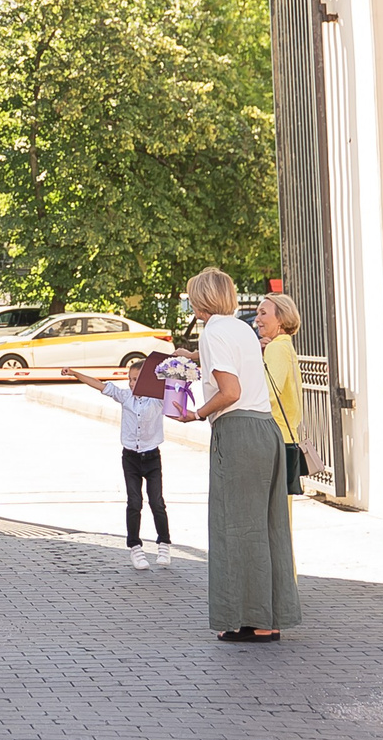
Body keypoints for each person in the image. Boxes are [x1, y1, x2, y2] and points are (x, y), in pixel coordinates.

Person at [169, 268, 299, 643]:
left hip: (238, 431)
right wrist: (191, 355)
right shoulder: (242, 327)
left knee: (237, 527)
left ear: (201, 299)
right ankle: (272, 617)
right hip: (266, 430)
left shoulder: (212, 331)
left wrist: (195, 412)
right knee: (268, 525)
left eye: (193, 296)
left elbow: (230, 390)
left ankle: (250, 620)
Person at [62, 357, 173, 569]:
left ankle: (164, 543)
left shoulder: (158, 399)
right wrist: (75, 373)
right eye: (130, 379)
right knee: (134, 502)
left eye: (136, 380)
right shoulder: (125, 396)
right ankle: (135, 548)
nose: (132, 384)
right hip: (130, 457)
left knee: (157, 501)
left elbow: (176, 391)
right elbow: (100, 386)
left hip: (152, 458)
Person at [255, 293, 305, 498]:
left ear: (281, 319)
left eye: (263, 313)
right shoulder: (284, 345)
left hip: (275, 438)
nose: (257, 318)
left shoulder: (276, 348)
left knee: (275, 511)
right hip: (287, 436)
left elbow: (268, 394)